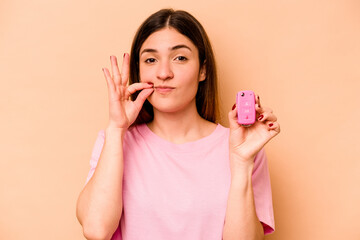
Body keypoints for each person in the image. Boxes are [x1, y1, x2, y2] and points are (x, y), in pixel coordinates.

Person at [76, 8, 280, 240]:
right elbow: (95, 230)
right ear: (139, 71)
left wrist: (242, 162)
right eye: (151, 60)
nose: (163, 73)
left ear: (203, 69)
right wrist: (116, 129)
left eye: (180, 58)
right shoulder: (115, 141)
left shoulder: (242, 147)